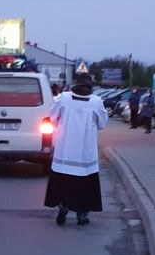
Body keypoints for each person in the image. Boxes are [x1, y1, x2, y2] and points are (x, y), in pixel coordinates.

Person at [44, 73, 108, 226]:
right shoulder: (96, 101)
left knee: (63, 181)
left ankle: (63, 205)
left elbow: (52, 116)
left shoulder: (63, 98)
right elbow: (102, 123)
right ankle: (82, 215)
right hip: (85, 152)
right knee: (84, 184)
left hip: (65, 149)